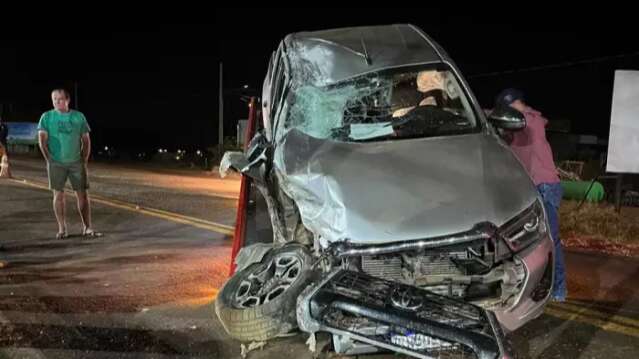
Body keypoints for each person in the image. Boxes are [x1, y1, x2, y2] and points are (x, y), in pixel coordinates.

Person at [495, 88, 566, 301]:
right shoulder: (513, 131)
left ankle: (559, 290)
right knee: (532, 243)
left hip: (545, 187)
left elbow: (515, 120)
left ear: (515, 105)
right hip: (532, 188)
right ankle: (539, 285)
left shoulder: (531, 122)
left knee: (552, 241)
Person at [37, 89, 102, 239]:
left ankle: (87, 227)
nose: (57, 102)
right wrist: (49, 159)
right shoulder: (46, 117)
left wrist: (84, 159)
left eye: (60, 99)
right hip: (56, 163)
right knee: (58, 195)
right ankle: (62, 229)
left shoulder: (78, 117)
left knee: (83, 195)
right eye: (54, 99)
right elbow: (42, 140)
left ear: (68, 100)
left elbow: (86, 140)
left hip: (76, 162)